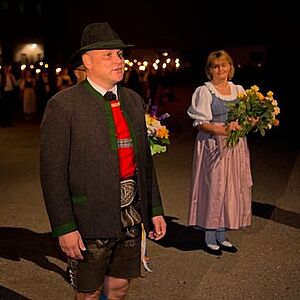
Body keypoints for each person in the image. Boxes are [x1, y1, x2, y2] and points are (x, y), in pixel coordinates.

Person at [40, 22, 166, 300]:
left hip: (130, 214)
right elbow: (52, 173)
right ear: (88, 61)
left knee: (119, 287)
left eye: (120, 55)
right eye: (108, 55)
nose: (118, 60)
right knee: (89, 292)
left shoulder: (133, 100)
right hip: (89, 218)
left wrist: (154, 208)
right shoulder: (63, 105)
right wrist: (64, 226)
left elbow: (145, 163)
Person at [187, 50, 252, 256]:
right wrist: (223, 130)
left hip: (235, 147)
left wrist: (250, 122)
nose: (221, 69)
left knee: (231, 189)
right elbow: (201, 124)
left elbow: (246, 116)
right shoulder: (204, 91)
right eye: (216, 66)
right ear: (210, 70)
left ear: (230, 67)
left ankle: (222, 235)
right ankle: (209, 236)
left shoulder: (238, 90)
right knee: (214, 188)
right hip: (212, 146)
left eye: (224, 65)